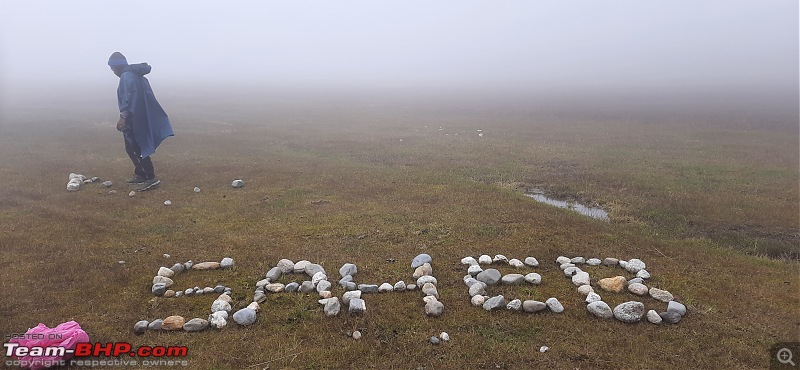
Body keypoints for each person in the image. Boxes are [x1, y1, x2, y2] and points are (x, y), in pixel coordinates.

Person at [108, 52, 173, 191]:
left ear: (118, 66)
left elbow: (127, 98)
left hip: (133, 117)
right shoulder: (137, 75)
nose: (112, 71)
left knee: (135, 147)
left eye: (113, 68)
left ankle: (150, 177)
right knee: (133, 146)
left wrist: (123, 117)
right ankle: (140, 174)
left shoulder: (126, 77)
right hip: (140, 115)